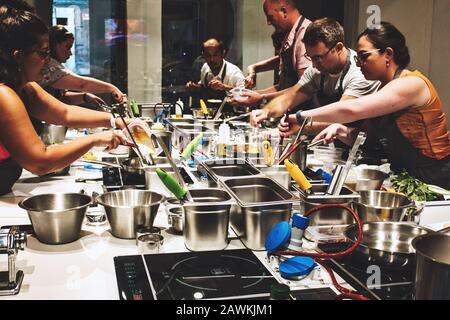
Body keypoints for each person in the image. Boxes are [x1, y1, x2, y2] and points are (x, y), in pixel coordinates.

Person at [280, 22, 450, 188]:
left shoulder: (412, 84)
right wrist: (341, 131)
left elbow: (351, 109)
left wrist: (300, 116)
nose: (359, 63)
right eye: (357, 57)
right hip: (406, 179)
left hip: (435, 179)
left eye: (364, 56)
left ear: (388, 54)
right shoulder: (382, 89)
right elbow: (366, 137)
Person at [0, 6, 130, 195]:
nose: (47, 61)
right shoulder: (4, 95)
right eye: (43, 53)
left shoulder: (25, 87)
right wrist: (94, 139)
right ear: (19, 56)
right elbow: (40, 161)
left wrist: (115, 120)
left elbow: (64, 113)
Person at [251, 18, 380, 135]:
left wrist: (302, 126)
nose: (313, 65)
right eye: (310, 57)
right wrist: (266, 112)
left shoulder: (359, 73)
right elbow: (291, 96)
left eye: (318, 58)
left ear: (339, 48)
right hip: (331, 143)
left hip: (359, 145)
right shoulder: (317, 69)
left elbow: (341, 115)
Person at [236, 0, 312, 108]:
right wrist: (255, 69)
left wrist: (262, 97)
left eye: (270, 17)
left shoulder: (304, 34)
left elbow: (303, 90)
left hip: (302, 112)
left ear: (284, 11)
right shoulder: (290, 32)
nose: (268, 22)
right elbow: (285, 83)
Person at [37, 25, 126, 107]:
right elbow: (82, 84)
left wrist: (85, 97)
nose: (70, 53)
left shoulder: (53, 66)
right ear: (55, 45)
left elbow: (62, 98)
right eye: (67, 47)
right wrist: (112, 88)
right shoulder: (50, 65)